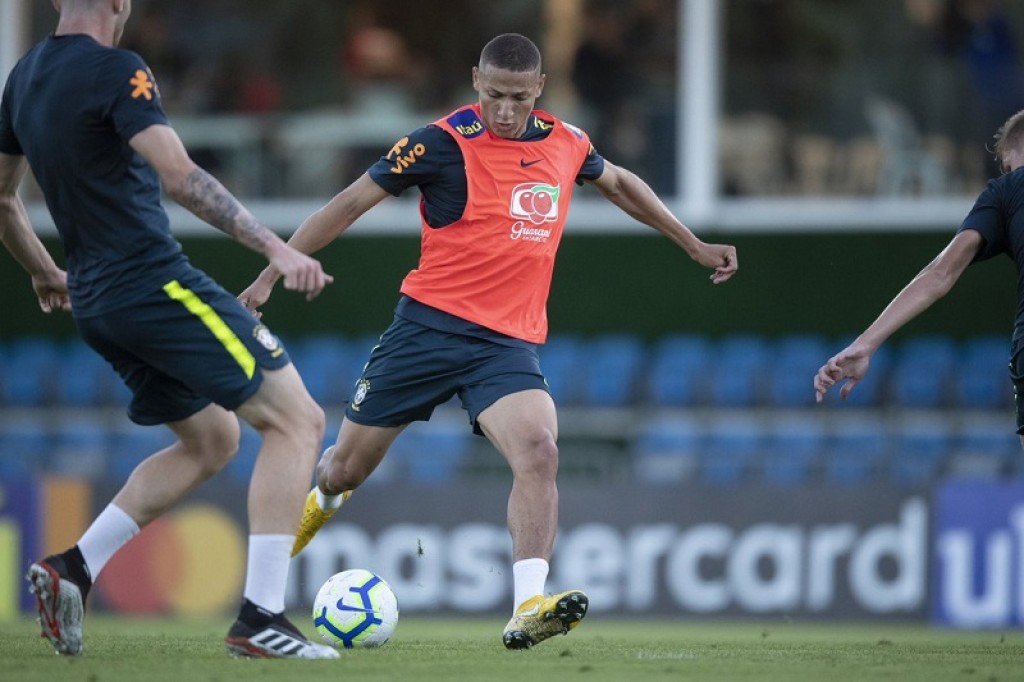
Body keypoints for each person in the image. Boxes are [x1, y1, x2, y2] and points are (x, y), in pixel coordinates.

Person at [241, 32, 738, 650]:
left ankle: (528, 605)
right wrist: (270, 274)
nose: (505, 110)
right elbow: (346, 206)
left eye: (518, 99)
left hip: (505, 346)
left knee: (540, 449)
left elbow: (622, 184)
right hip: (424, 331)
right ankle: (263, 587)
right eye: (495, 95)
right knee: (343, 471)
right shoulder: (438, 143)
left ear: (539, 90)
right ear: (476, 79)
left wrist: (692, 243)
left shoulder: (567, 142)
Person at [0, 0, 337, 659]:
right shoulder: (120, 70)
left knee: (212, 439)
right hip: (152, 283)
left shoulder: (23, 77)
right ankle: (262, 616)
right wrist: (276, 248)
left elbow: (1, 196)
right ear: (119, 4)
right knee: (299, 421)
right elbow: (180, 175)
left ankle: (73, 566)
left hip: (97, 302)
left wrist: (43, 270)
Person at [814, 108, 1024, 444]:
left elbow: (940, 274)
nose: (1010, 174)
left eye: (1010, 167)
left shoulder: (1008, 189)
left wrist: (864, 345)